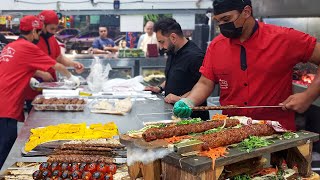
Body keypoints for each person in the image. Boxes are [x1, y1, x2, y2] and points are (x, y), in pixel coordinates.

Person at [173, 0, 320, 131]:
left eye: (226, 19)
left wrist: (308, 96)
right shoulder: (216, 46)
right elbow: (205, 82)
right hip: (231, 132)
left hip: (276, 132)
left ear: (246, 12)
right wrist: (189, 101)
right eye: (218, 21)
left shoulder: (283, 38)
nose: (222, 26)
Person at [0, 15, 79, 169]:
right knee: (5, 147)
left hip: (4, 99)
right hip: (6, 104)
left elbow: (14, 67)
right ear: (35, 31)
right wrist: (72, 78)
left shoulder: (12, 45)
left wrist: (34, 76)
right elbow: (58, 66)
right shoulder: (28, 46)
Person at [145, 18, 209, 120]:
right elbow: (174, 77)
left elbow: (204, 86)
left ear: (173, 37)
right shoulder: (172, 51)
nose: (161, 47)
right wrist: (160, 88)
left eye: (162, 42)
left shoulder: (195, 56)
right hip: (174, 113)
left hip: (193, 117)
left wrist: (181, 99)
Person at [25, 10, 85, 113]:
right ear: (42, 25)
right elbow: (23, 65)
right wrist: (40, 73)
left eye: (55, 29)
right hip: (34, 88)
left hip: (51, 86)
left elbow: (59, 57)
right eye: (51, 28)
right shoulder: (32, 40)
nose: (53, 32)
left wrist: (73, 64)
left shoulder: (52, 38)